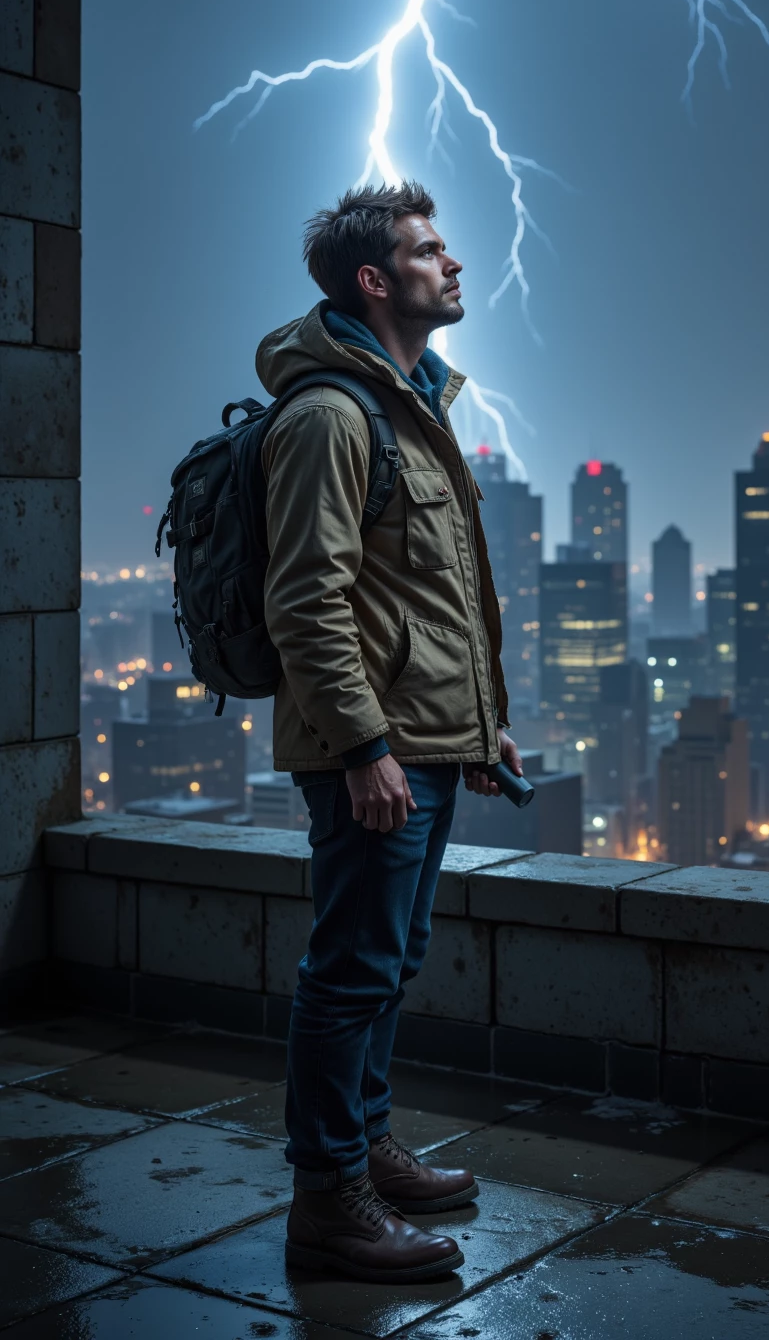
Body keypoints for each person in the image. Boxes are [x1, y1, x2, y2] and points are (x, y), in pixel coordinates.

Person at [256, 182, 522, 1282]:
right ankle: (329, 1198)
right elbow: (307, 599)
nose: (451, 264)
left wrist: (480, 726)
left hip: (429, 742)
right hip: (372, 756)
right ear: (375, 280)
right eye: (428, 250)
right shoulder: (331, 414)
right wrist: (366, 746)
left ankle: (364, 1145)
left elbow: (428, 594)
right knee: (351, 970)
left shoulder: (417, 403)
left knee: (390, 961)